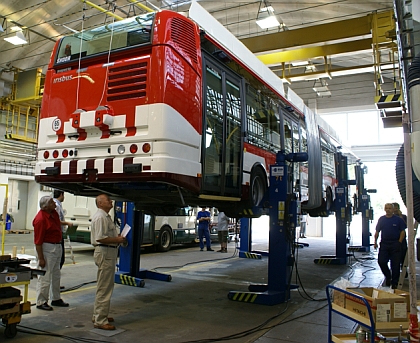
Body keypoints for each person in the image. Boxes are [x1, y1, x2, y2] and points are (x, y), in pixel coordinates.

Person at [91, 194, 127, 331]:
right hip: (105, 252)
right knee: (105, 287)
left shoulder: (105, 216)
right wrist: (117, 240)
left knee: (103, 286)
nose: (111, 201)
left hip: (107, 252)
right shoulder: (101, 217)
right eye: (108, 200)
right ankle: (100, 320)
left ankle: (98, 314)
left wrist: (115, 238)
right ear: (100, 203)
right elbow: (100, 238)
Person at [33, 196, 69, 311]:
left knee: (56, 274)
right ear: (45, 206)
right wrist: (41, 258)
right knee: (45, 275)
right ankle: (41, 301)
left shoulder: (54, 214)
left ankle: (56, 298)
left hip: (57, 246)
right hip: (47, 248)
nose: (54, 203)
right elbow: (38, 241)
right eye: (51, 202)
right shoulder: (41, 219)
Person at [374, 203, 406, 289]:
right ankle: (388, 276)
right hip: (384, 243)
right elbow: (377, 231)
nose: (388, 210)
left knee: (395, 264)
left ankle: (394, 282)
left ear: (393, 210)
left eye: (390, 208)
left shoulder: (398, 220)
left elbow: (403, 231)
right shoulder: (382, 219)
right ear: (384, 209)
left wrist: (399, 242)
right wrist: (375, 242)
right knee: (382, 261)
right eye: (386, 208)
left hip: (395, 243)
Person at [53, 190, 73, 271]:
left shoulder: (58, 204)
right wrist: (67, 223)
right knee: (60, 259)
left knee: (60, 258)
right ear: (61, 195)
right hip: (57, 233)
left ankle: (55, 282)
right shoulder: (56, 205)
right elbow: (56, 220)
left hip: (59, 233)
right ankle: (53, 281)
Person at [392, 202, 408, 274]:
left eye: (396, 208)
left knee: (403, 254)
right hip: (393, 239)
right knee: (394, 256)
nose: (395, 210)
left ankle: (404, 269)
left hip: (402, 239)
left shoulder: (403, 217)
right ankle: (395, 271)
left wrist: (400, 216)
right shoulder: (390, 217)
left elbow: (406, 225)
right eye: (393, 208)